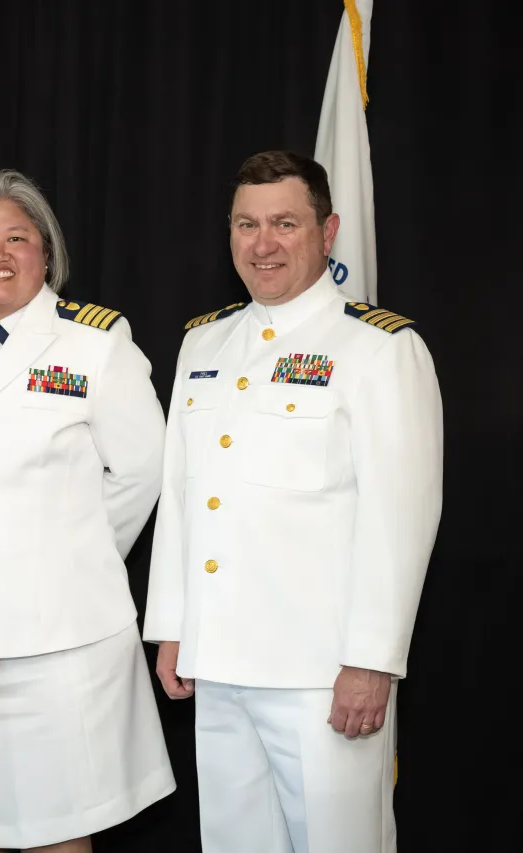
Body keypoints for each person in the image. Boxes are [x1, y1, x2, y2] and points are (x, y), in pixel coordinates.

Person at [143, 150, 443, 853]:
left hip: (321, 673)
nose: (263, 242)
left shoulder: (376, 349)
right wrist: (173, 625)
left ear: (328, 230)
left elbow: (402, 517)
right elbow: (184, 495)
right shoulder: (204, 342)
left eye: (284, 222)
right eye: (246, 224)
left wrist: (372, 659)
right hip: (218, 660)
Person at [0, 169, 175, 853]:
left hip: (64, 647)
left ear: (46, 253)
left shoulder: (96, 342)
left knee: (58, 837)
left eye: (17, 237)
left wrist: (64, 551)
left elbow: (142, 469)